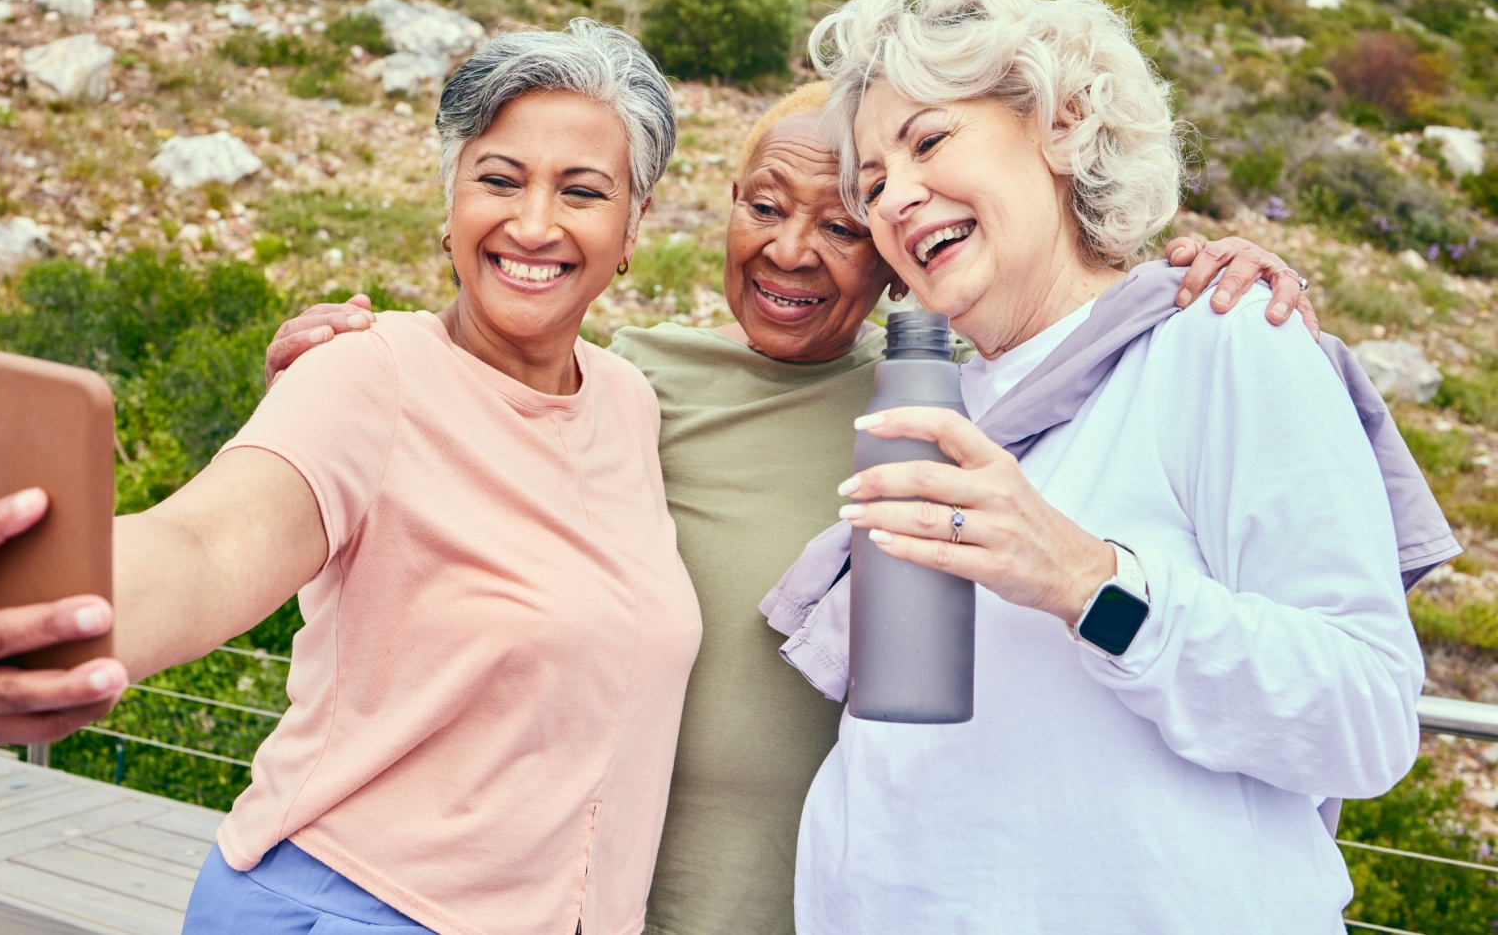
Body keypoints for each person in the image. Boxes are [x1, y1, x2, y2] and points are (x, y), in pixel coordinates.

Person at [268, 84, 1315, 933]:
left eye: (843, 225)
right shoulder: (627, 382)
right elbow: (439, 454)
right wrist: (325, 374)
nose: (789, 250)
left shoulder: (954, 407)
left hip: (820, 906)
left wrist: (1200, 273)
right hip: (575, 900)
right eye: (763, 205)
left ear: (898, 252)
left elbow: (1084, 336)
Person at [0, 20, 703, 935]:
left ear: (634, 224)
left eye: (583, 190)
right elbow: (207, 543)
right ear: (448, 204)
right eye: (499, 179)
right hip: (352, 906)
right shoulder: (368, 371)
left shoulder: (628, 401)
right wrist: (49, 624)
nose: (532, 223)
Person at [765, 0, 1447, 933]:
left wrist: (1089, 581)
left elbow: (1366, 717)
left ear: (1062, 119)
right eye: (871, 185)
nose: (896, 200)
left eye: (928, 141)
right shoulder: (931, 401)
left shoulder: (1222, 339)